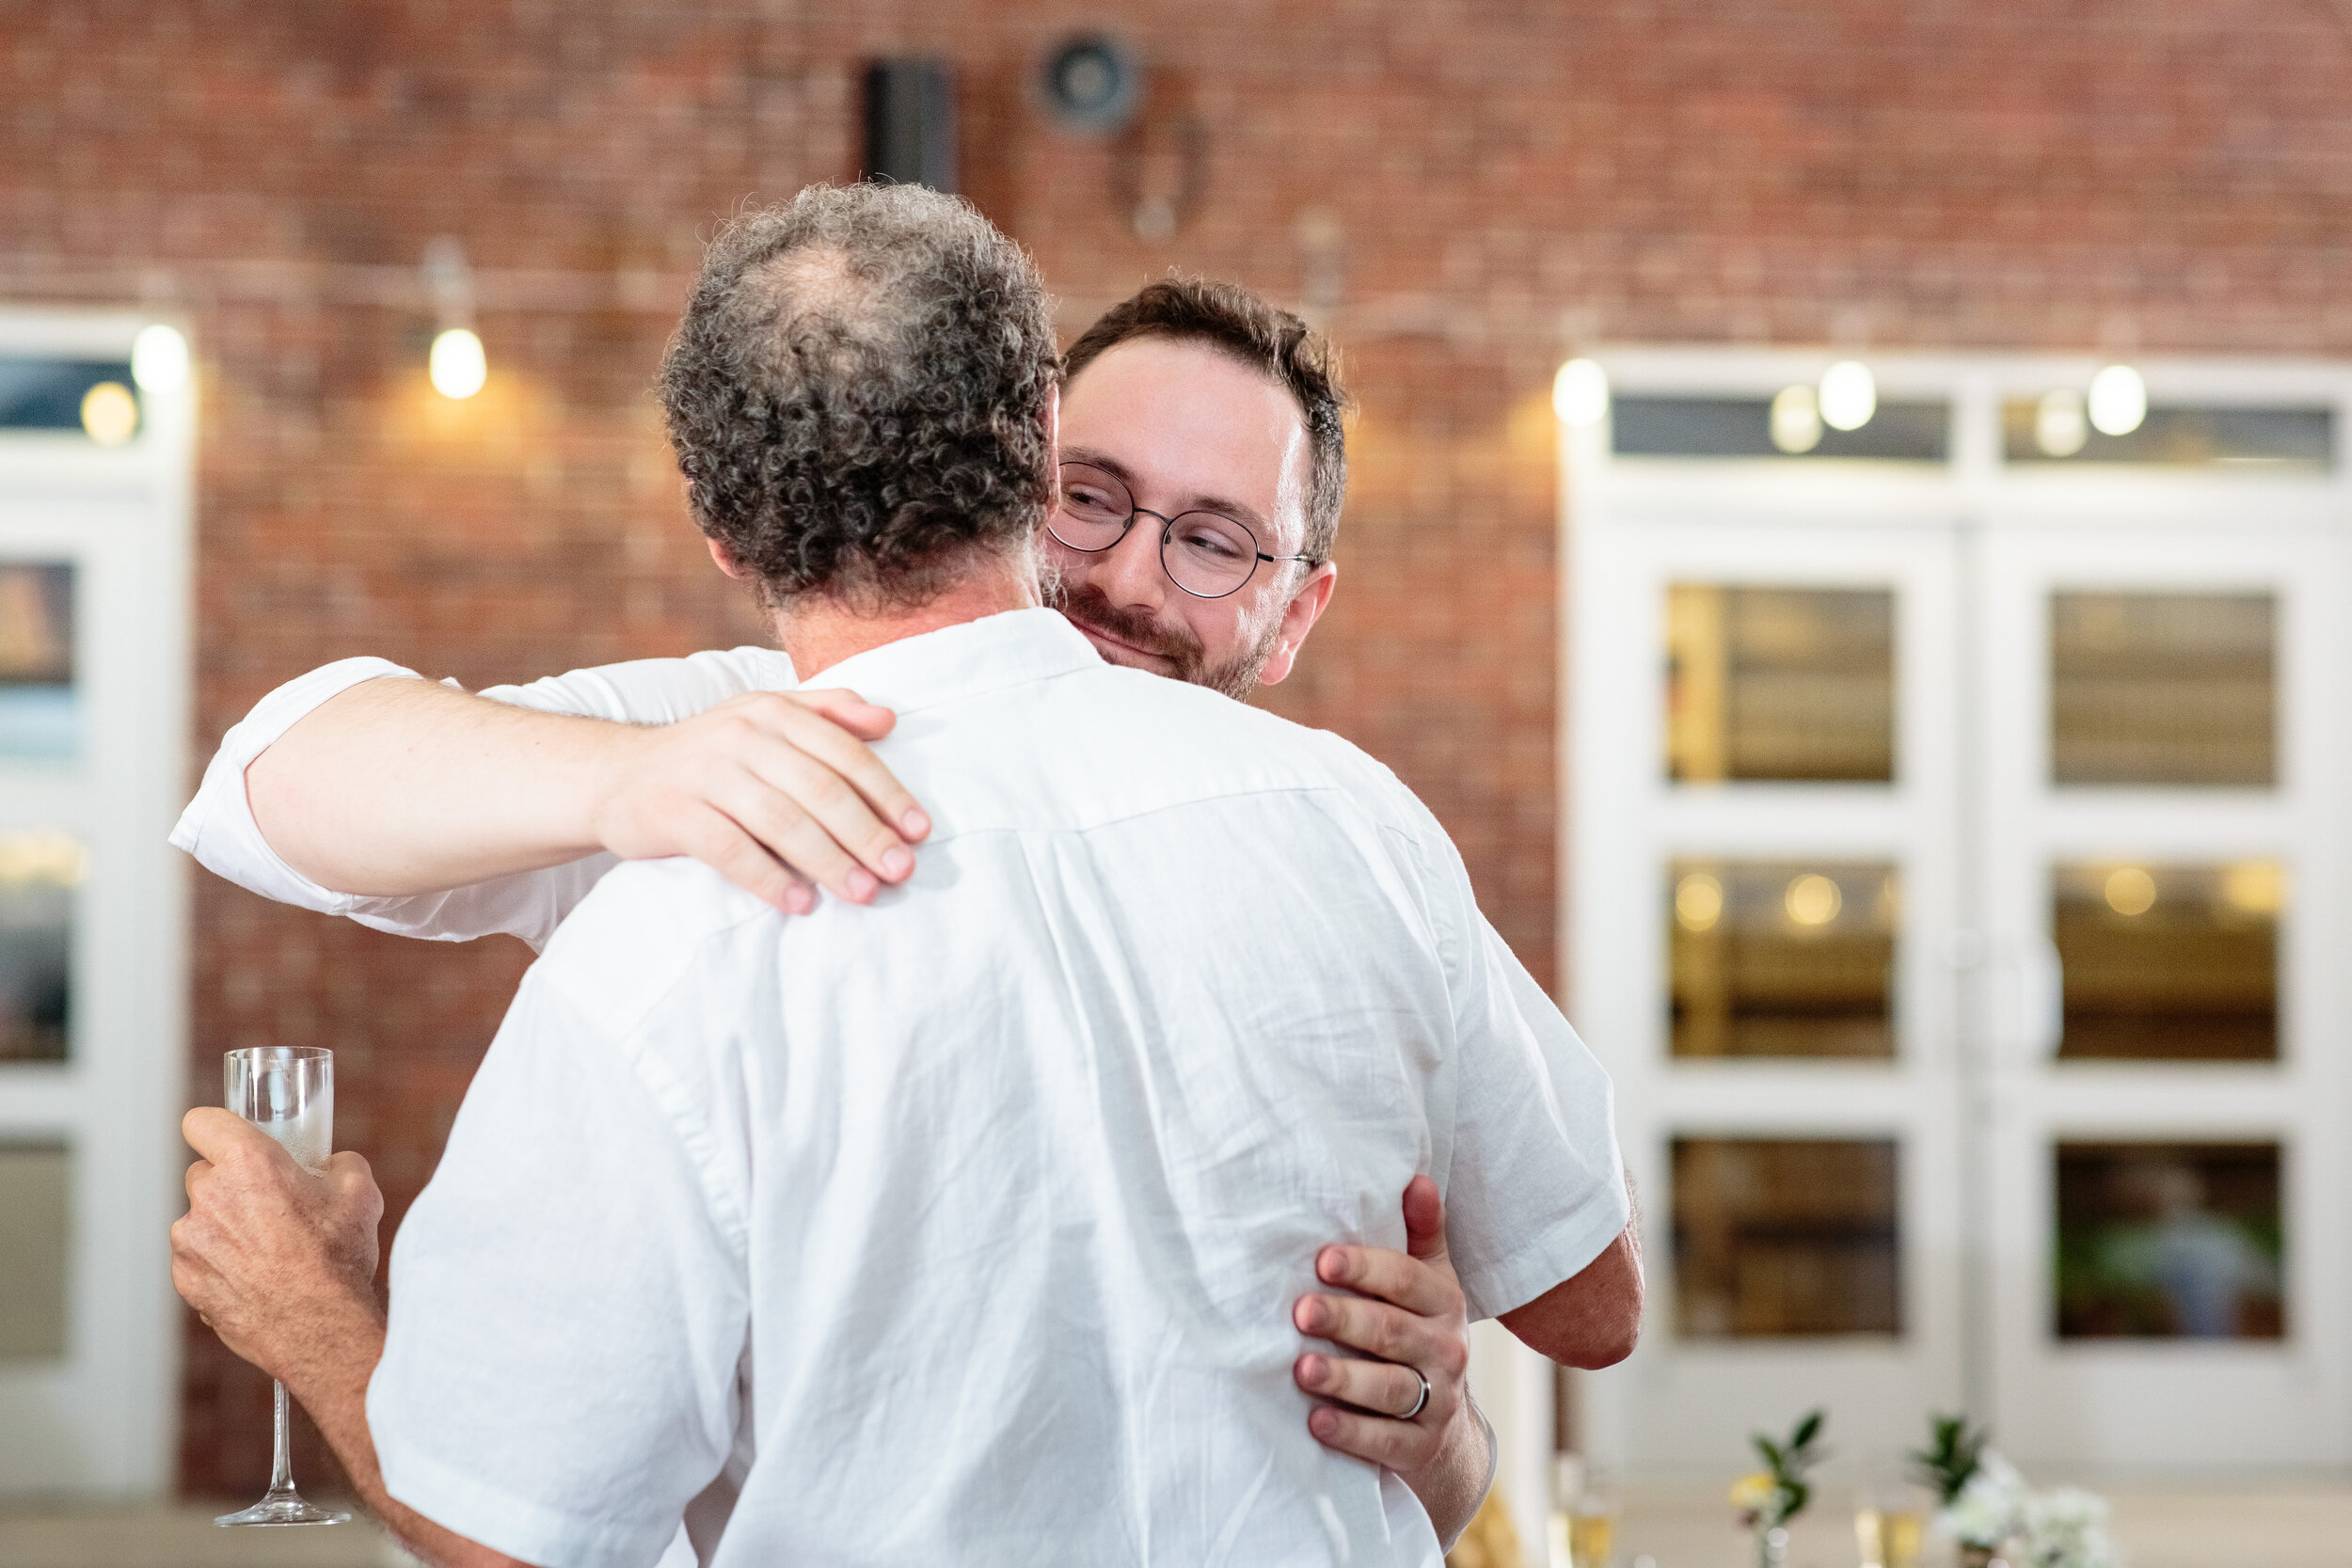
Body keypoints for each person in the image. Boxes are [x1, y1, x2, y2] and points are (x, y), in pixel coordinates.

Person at [171, 183, 1631, 1567]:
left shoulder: (1341, 827)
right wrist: (630, 782)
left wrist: (1437, 1425)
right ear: (1023, 460)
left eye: (1212, 542)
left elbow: (1581, 1294)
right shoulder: (725, 771)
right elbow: (268, 778)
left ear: (1296, 608)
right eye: (1096, 499)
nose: (1128, 578)